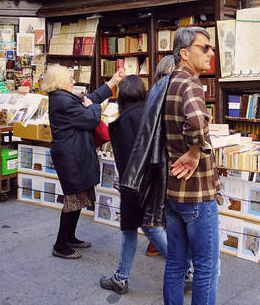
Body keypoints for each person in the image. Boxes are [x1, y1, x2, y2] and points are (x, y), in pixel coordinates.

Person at [162, 27, 221, 305]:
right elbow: (197, 121)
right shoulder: (190, 84)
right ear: (184, 54)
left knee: (175, 263)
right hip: (197, 192)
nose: (211, 53)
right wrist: (196, 151)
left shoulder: (167, 82)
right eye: (205, 48)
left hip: (173, 189)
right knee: (205, 268)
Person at [44, 64, 125, 259]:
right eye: (69, 78)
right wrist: (94, 107)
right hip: (71, 157)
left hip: (75, 154)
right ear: (60, 81)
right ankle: (60, 245)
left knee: (79, 197)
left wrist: (113, 81)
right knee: (73, 198)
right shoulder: (64, 102)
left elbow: (92, 99)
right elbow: (91, 117)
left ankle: (70, 237)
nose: (73, 81)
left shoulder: (64, 97)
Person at [100, 75, 169, 294]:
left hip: (134, 185)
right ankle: (121, 276)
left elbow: (126, 157)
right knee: (142, 228)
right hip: (155, 180)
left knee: (144, 229)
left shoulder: (120, 124)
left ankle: (186, 268)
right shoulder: (152, 115)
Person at [145, 54, 175, 258]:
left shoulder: (152, 91)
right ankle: (164, 245)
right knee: (166, 204)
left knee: (159, 203)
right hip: (166, 154)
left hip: (155, 155)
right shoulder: (169, 91)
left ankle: (156, 244)